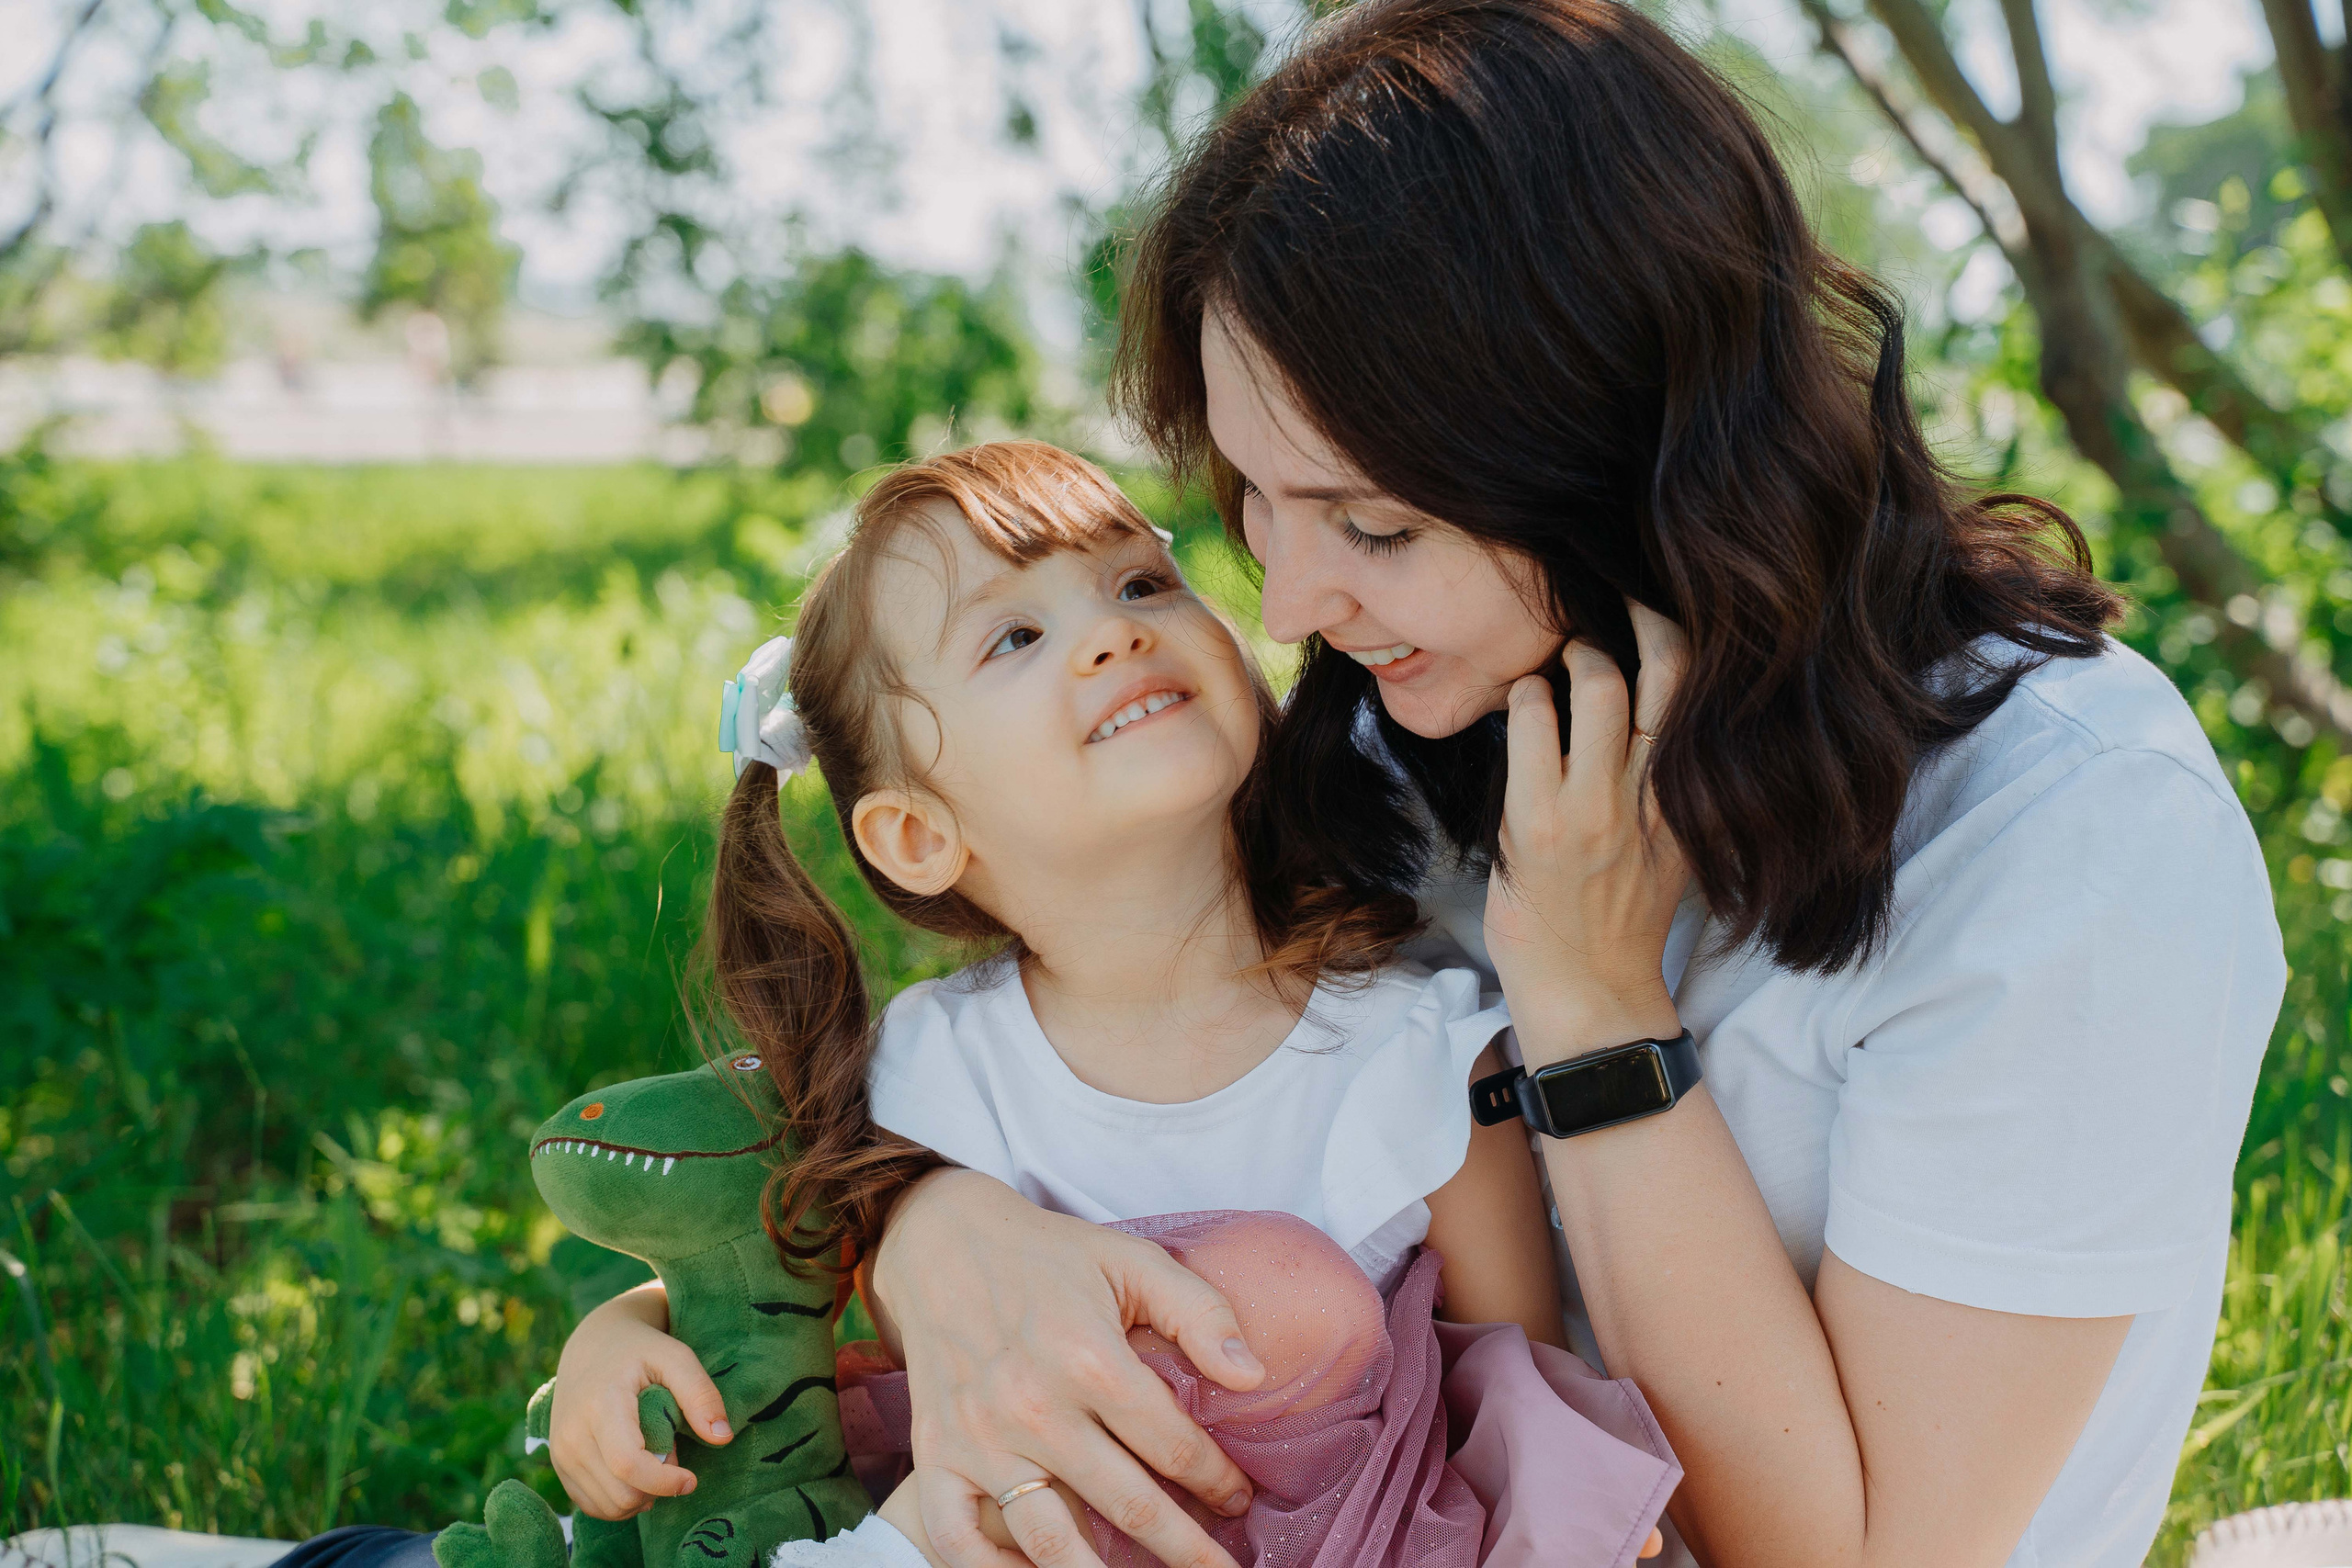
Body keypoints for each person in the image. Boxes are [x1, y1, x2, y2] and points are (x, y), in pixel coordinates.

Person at [608, 5, 2274, 1568]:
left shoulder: (2067, 847)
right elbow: (1113, 1051)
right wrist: (946, 1240)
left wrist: (1597, 1011)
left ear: (1629, 455)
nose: (1289, 612)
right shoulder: (1421, 724)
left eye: (1377, 529)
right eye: (1255, 501)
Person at [554, 440, 1677, 1568]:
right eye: (1015, 637)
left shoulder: (1417, 1053)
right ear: (917, 833)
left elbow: (1516, 1394)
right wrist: (627, 1330)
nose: (1115, 630)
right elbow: (771, 1293)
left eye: (1140, 581)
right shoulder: (934, 1067)